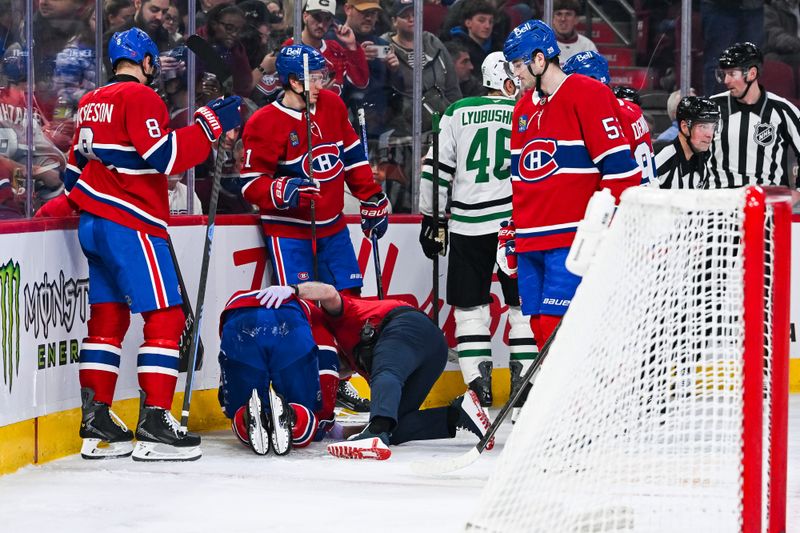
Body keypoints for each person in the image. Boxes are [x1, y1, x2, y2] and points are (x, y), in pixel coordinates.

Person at [64, 28, 242, 461]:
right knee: (166, 317)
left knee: (107, 320)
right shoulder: (141, 98)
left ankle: (97, 420)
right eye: (153, 61)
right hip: (131, 222)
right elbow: (162, 156)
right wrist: (209, 125)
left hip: (94, 223)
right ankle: (156, 422)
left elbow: (73, 171)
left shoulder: (91, 100)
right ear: (144, 61)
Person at [500, 20, 641, 348]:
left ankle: (584, 398)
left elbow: (621, 172)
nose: (514, 73)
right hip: (530, 241)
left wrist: (599, 228)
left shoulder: (588, 93)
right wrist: (513, 228)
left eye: (518, 64)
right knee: (536, 325)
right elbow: (523, 178)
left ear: (539, 59)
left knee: (558, 331)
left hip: (571, 240)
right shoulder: (522, 108)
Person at [419, 51, 536, 408]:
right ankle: (523, 386)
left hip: (468, 225)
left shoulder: (457, 112)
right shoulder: (527, 110)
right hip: (514, 225)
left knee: (470, 309)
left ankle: (478, 387)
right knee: (522, 308)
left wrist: (432, 217)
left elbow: (436, 167)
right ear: (506, 79)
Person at [282, 281, 493, 460]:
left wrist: (293, 289)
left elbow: (327, 291)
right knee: (394, 425)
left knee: (385, 376)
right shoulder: (355, 362)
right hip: (433, 350)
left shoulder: (333, 318)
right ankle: (460, 414)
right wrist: (338, 432)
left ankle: (375, 434)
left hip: (403, 325)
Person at [239, 44, 388, 293]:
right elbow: (251, 184)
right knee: (302, 304)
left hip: (333, 226)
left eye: (323, 76)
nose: (322, 84)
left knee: (349, 299)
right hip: (289, 230)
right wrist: (283, 190)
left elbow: (352, 155)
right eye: (315, 78)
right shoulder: (263, 122)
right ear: (295, 82)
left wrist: (371, 196)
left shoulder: (332, 105)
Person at [217, 287, 339, 455]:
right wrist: (324, 422)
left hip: (238, 321)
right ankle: (292, 415)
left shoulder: (239, 298)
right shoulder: (320, 318)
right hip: (289, 322)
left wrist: (231, 407)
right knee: (309, 424)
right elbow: (326, 371)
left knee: (242, 410)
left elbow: (226, 379)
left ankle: (247, 417)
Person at [708, 42, 800, 188]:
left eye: (732, 74)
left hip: (768, 203)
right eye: (724, 74)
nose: (726, 81)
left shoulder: (783, 109)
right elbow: (689, 151)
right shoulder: (711, 107)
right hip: (719, 203)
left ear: (752, 73)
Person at [561, 50, 656, 186]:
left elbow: (615, 169)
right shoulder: (632, 109)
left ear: (591, 82)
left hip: (628, 199)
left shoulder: (608, 116)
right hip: (648, 194)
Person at [382, 0, 462, 134]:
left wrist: (457, 118)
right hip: (402, 129)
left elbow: (452, 87)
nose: (411, 19)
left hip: (442, 123)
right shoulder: (384, 46)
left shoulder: (433, 43)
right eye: (405, 15)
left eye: (414, 14)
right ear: (394, 21)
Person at [279, 0, 369, 98]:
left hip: (333, 111)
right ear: (305, 17)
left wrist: (352, 46)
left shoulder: (334, 49)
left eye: (327, 19)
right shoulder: (288, 48)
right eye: (317, 17)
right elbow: (281, 97)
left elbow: (361, 82)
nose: (321, 25)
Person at [656, 96, 720, 189]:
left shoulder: (703, 161)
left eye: (713, 127)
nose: (710, 135)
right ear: (685, 127)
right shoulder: (662, 160)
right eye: (703, 126)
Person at [701, 0, 764, 95]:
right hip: (719, 8)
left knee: (751, 63)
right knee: (718, 63)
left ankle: (746, 108)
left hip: (753, 7)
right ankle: (716, 106)